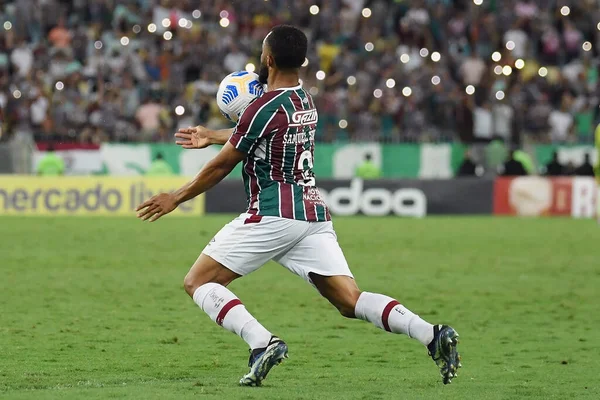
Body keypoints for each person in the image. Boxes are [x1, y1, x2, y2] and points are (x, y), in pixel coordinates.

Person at [136, 25, 460, 387]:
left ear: (269, 59)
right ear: (302, 62)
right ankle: (432, 334)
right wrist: (214, 134)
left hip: (273, 212)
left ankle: (262, 343)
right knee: (349, 301)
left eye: (262, 50)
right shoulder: (304, 101)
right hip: (312, 216)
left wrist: (175, 197)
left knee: (197, 281)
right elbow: (258, 129)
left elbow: (222, 165)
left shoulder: (262, 107)